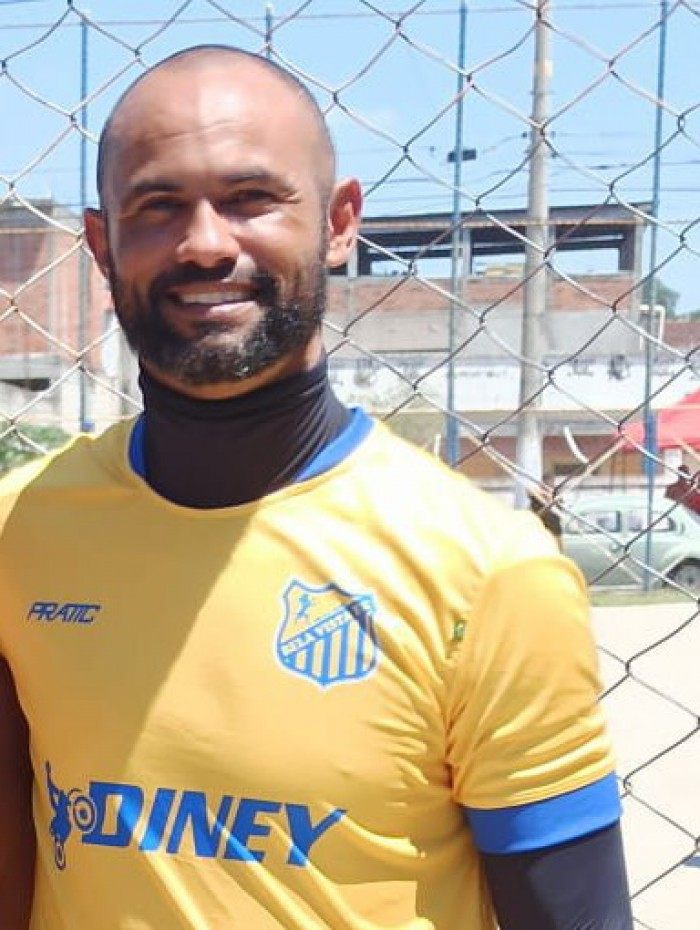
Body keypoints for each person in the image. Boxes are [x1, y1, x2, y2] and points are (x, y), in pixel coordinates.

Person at [0, 45, 633, 930]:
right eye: (158, 206)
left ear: (339, 223)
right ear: (103, 246)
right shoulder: (21, 530)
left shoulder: (490, 573)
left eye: (251, 198)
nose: (205, 242)